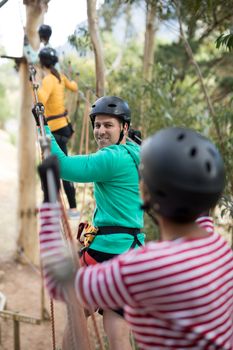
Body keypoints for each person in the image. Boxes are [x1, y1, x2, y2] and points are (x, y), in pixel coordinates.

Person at [39, 126, 233, 350]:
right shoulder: (220, 250)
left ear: (145, 194)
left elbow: (59, 286)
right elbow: (202, 218)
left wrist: (49, 197)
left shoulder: (144, 266)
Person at [35, 96, 145, 349]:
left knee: (76, 316)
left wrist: (43, 127)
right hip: (133, 252)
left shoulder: (111, 158)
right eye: (97, 125)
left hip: (106, 252)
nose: (100, 131)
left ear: (124, 128)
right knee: (118, 336)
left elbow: (62, 166)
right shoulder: (137, 152)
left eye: (109, 125)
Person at [37, 47, 79, 218]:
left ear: (42, 63)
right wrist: (74, 80)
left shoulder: (48, 80)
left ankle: (72, 207)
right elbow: (74, 87)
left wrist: (35, 87)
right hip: (64, 127)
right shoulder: (59, 77)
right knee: (61, 163)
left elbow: (40, 99)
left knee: (60, 166)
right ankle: (70, 206)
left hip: (54, 129)